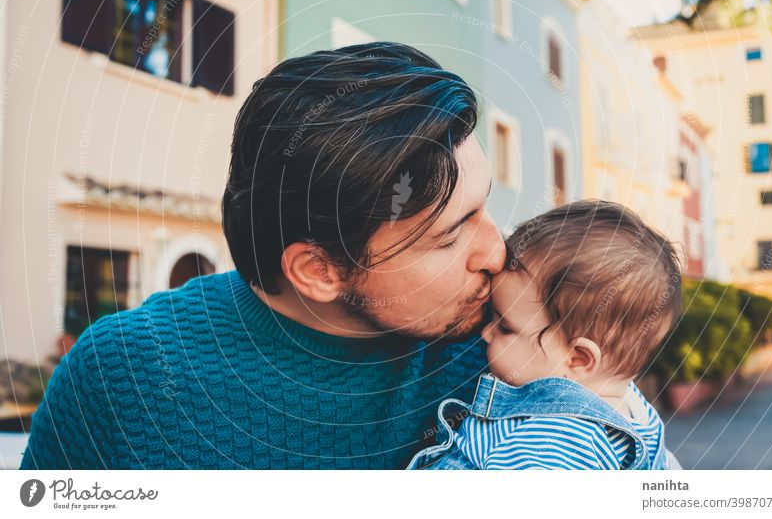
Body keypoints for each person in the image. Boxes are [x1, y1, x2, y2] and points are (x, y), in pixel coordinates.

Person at [20, 42, 506, 469]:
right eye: (449, 238)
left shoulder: (519, 344)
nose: (497, 252)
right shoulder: (120, 376)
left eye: (486, 206)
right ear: (319, 270)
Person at [407, 201, 683, 470]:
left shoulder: (555, 440)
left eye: (505, 327)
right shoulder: (639, 414)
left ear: (578, 358)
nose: (486, 332)